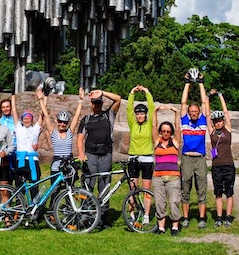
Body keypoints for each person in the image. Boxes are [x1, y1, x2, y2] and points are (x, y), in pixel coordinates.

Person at [76, 88, 122, 223]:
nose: (97, 105)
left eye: (99, 103)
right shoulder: (86, 119)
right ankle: (86, 214)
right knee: (88, 184)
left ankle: (103, 216)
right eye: (95, 103)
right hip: (90, 155)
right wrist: (80, 153)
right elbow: (80, 138)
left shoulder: (109, 115)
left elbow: (118, 98)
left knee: (104, 185)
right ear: (91, 104)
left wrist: (102, 92)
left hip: (106, 154)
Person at [179, 68, 210, 230]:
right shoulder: (185, 120)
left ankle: (202, 218)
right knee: (185, 188)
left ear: (199, 112)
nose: (193, 113)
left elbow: (204, 102)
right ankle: (185, 218)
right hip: (186, 158)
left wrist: (200, 84)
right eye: (191, 112)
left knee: (202, 188)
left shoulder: (203, 120)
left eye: (195, 111)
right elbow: (183, 103)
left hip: (200, 158)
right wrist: (187, 84)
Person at [125, 85, 156, 221]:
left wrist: (147, 92)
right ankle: (132, 213)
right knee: (133, 188)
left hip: (147, 159)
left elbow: (152, 107)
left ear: (145, 114)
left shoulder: (149, 124)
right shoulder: (133, 123)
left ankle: (146, 215)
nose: (139, 116)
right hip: (133, 158)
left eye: (142, 113)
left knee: (146, 189)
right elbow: (128, 108)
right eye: (138, 114)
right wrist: (132, 92)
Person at [38, 87, 84, 175]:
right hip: (56, 165)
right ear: (57, 121)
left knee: (70, 188)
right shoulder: (53, 133)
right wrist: (41, 100)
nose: (62, 124)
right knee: (56, 188)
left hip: (68, 165)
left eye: (65, 123)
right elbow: (46, 116)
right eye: (60, 122)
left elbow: (76, 117)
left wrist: (81, 100)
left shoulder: (69, 133)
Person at [153, 107, 182, 235]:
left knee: (174, 201)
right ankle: (161, 227)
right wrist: (155, 112)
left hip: (173, 177)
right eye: (163, 131)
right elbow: (153, 126)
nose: (165, 133)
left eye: (168, 131)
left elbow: (178, 128)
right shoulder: (157, 142)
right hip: (158, 177)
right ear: (160, 132)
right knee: (159, 202)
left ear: (171, 133)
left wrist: (176, 113)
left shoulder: (175, 142)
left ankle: (175, 227)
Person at [209, 89, 235, 227]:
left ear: (223, 121)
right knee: (218, 193)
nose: (218, 123)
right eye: (216, 121)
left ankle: (228, 216)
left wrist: (220, 96)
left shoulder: (228, 130)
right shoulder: (212, 132)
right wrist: (207, 97)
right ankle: (219, 217)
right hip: (216, 166)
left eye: (220, 121)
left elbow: (226, 112)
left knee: (229, 192)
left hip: (228, 165)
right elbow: (207, 113)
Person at [12, 89, 44, 198]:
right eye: (25, 118)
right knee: (20, 187)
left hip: (32, 160)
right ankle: (19, 209)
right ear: (22, 119)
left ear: (31, 120)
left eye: (29, 119)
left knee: (34, 185)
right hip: (21, 160)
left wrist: (43, 99)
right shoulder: (19, 128)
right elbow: (14, 112)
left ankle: (34, 209)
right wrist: (13, 96)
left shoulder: (35, 129)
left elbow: (42, 114)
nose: (26, 120)